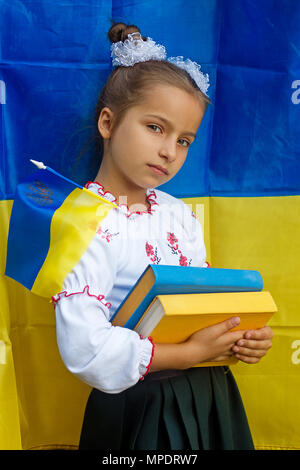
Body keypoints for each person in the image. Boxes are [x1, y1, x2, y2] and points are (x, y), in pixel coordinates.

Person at [52, 23, 273, 450]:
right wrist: (187, 355)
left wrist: (237, 335)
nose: (170, 151)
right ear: (108, 122)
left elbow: (203, 309)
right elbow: (86, 348)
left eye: (185, 140)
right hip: (140, 410)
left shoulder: (178, 213)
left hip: (211, 395)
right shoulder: (82, 222)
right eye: (156, 127)